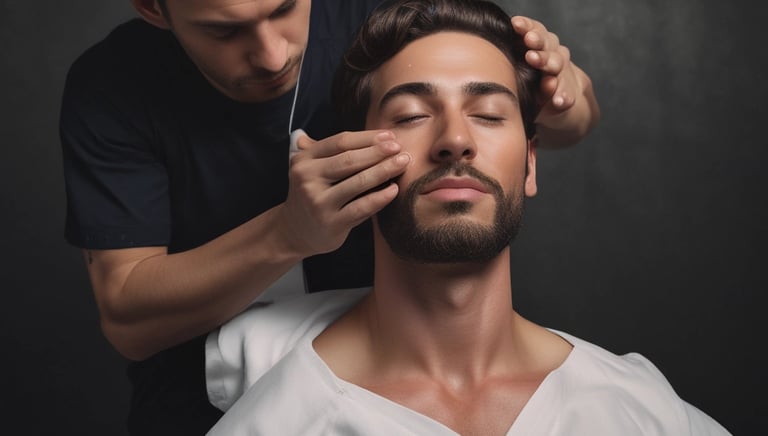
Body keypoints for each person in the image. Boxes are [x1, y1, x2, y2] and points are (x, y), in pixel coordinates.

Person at [59, 0, 599, 433]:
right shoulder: (113, 86)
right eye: (225, 32)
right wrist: (288, 233)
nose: (271, 56)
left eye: (285, 9)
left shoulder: (381, 19)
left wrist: (565, 95)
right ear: (154, 10)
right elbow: (129, 317)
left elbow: (558, 120)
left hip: (397, 382)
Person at [203, 1, 731, 434]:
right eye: (411, 115)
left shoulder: (644, 414)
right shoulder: (276, 421)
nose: (455, 140)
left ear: (529, 162)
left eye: (488, 115)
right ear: (351, 164)